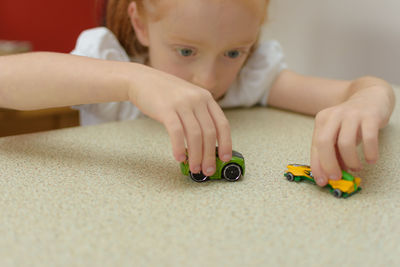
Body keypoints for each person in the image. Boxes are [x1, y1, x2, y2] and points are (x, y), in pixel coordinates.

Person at [0, 0, 395, 186]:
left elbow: (362, 89)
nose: (207, 78)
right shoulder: (110, 60)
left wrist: (366, 101)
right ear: (139, 23)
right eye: (185, 51)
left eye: (233, 52)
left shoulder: (250, 77)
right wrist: (133, 80)